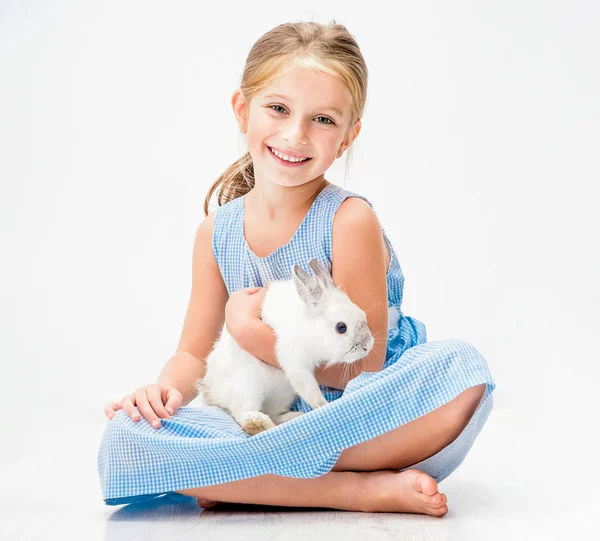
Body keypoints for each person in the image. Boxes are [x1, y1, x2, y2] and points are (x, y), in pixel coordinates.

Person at [100, 20, 495, 515]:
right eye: (279, 109)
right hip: (265, 414)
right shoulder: (215, 234)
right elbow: (192, 356)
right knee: (127, 434)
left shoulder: (349, 220)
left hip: (352, 409)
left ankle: (237, 477)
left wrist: (246, 331)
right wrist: (159, 394)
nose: (296, 134)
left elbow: (360, 363)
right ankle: (348, 487)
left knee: (463, 370)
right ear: (243, 111)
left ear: (347, 137)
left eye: (323, 120)